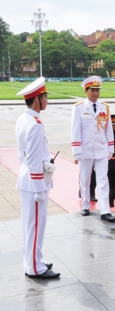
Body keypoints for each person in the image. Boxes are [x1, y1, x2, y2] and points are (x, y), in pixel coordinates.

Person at [15, 77, 60, 279]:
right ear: (36, 100)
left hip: (26, 177)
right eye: (44, 97)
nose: (47, 101)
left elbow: (21, 155)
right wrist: (40, 188)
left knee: (29, 225)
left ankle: (33, 260)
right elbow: (33, 160)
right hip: (34, 182)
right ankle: (35, 268)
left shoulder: (23, 119)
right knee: (35, 226)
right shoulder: (35, 124)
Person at [71, 76, 115, 222]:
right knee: (85, 179)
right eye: (93, 90)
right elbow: (75, 130)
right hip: (86, 149)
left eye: (97, 90)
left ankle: (105, 210)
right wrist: (77, 150)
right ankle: (85, 205)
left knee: (103, 180)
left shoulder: (105, 107)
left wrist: (111, 148)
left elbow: (108, 130)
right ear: (86, 91)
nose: (95, 93)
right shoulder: (79, 108)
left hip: (102, 148)